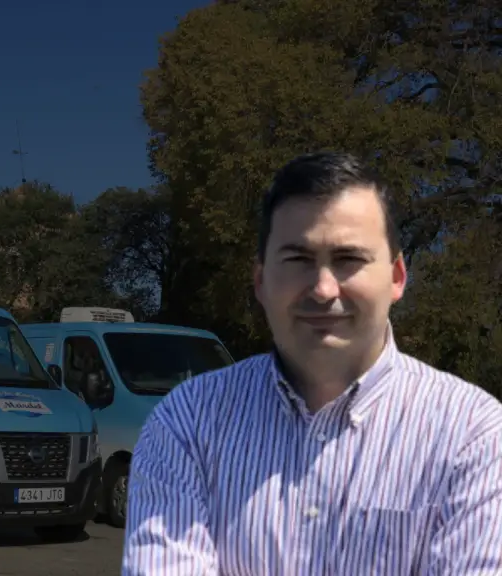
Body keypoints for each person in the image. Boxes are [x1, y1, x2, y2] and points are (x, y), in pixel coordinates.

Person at [122, 152, 502, 575]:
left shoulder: (476, 435)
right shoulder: (188, 422)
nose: (322, 289)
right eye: (298, 260)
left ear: (396, 277)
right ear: (261, 281)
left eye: (348, 259)